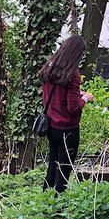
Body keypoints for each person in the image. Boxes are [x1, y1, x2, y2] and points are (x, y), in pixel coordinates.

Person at [40, 36, 94, 193]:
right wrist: (85, 98)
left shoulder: (49, 68)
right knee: (63, 170)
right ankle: (58, 204)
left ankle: (46, 201)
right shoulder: (72, 74)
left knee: (52, 165)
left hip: (51, 126)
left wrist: (77, 93)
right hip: (68, 130)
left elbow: (56, 96)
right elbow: (73, 108)